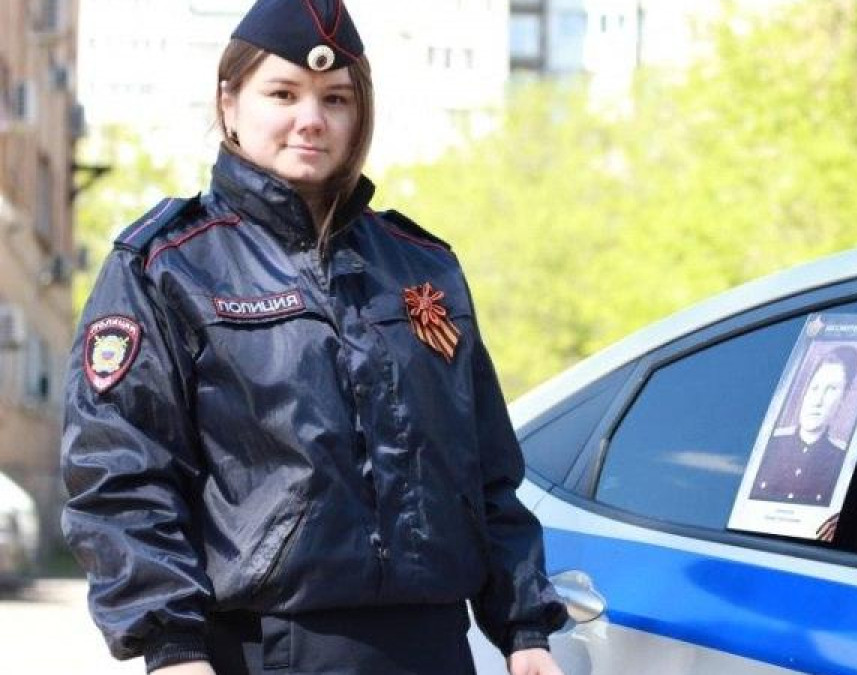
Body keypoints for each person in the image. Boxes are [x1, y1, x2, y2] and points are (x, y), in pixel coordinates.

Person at [60, 2, 567, 673]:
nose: (311, 119)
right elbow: (120, 469)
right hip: (263, 647)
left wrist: (524, 626)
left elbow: (486, 468)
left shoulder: (422, 266)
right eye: (283, 94)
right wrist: (171, 643)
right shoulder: (168, 266)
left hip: (436, 646)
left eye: (335, 98)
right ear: (229, 103)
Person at [749, 345, 857, 507]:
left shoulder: (843, 462)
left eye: (831, 389)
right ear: (805, 392)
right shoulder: (768, 445)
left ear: (843, 399)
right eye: (814, 388)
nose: (818, 400)